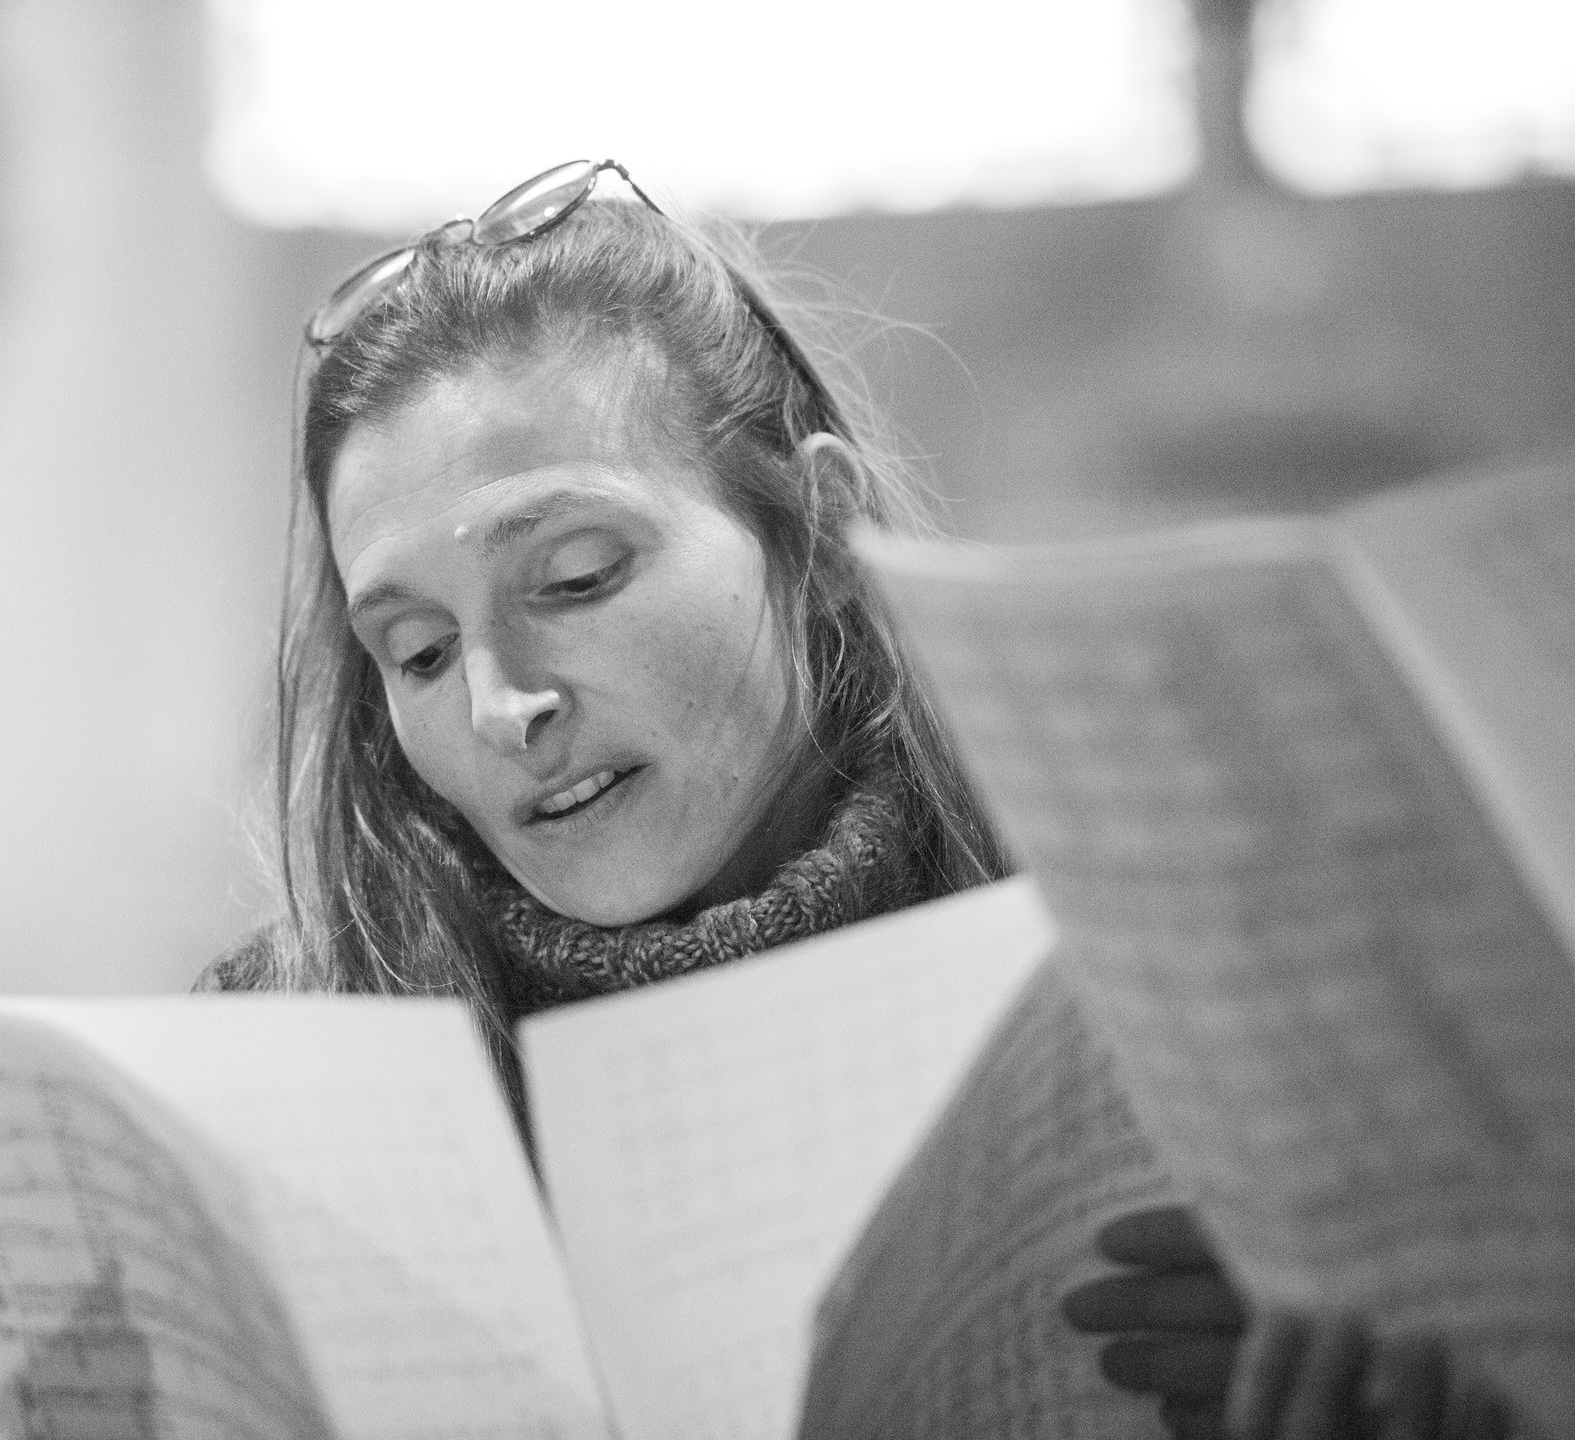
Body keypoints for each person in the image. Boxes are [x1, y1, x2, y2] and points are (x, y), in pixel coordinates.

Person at [198, 159, 1476, 1438]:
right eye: (416, 651)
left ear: (817, 531)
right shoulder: (295, 1063)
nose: (499, 704)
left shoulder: (1159, 970)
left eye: (577, 579)